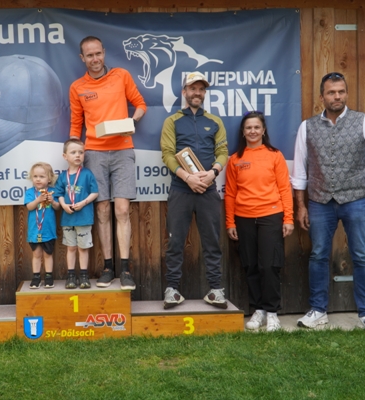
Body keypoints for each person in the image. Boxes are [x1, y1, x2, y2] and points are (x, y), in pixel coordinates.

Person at [291, 72, 365, 336]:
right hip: (319, 201)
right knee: (318, 255)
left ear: (346, 93)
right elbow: (299, 172)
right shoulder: (307, 127)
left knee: (361, 255)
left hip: (355, 200)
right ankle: (318, 311)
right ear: (321, 96)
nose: (337, 96)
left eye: (341, 91)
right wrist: (301, 206)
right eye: (332, 92)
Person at [69, 36, 147, 291]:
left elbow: (140, 104)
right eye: (89, 55)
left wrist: (132, 122)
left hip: (123, 149)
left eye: (98, 53)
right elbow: (76, 124)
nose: (95, 59)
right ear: (82, 58)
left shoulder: (121, 75)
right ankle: (107, 268)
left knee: (122, 210)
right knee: (102, 210)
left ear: (104, 52)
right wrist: (73, 151)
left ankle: (125, 270)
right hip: (94, 153)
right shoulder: (77, 87)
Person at [160, 71, 229, 309]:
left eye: (201, 89)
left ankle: (215, 290)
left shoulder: (215, 121)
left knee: (212, 241)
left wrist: (213, 173)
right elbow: (168, 154)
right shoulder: (172, 121)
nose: (197, 93)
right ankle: (172, 290)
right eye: (193, 88)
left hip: (208, 190)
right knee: (175, 242)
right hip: (181, 189)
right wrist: (188, 177)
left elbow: (222, 152)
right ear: (184, 92)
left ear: (204, 93)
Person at [225, 112, 294, 331]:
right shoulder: (235, 159)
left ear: (263, 130)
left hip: (270, 216)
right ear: (243, 132)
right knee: (251, 265)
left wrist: (288, 218)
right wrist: (230, 222)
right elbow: (230, 193)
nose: (253, 131)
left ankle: (272, 312)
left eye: (256, 127)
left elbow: (285, 188)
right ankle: (259, 310)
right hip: (243, 217)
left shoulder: (275, 155)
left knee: (269, 265)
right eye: (248, 128)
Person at [54, 139, 99, 289]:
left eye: (81, 152)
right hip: (68, 219)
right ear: (65, 156)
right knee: (71, 248)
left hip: (84, 218)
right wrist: (63, 205)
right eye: (73, 152)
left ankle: (84, 276)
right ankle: (71, 276)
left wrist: (83, 203)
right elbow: (59, 194)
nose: (78, 155)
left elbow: (95, 192)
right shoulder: (62, 176)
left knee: (83, 248)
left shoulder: (87, 173)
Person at [24, 162, 60, 289]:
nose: (38, 179)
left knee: (48, 254)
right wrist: (38, 200)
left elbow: (57, 207)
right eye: (35, 176)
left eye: (42, 176)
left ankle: (49, 277)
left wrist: (53, 201)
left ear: (49, 179)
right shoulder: (30, 192)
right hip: (34, 230)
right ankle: (36, 277)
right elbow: (29, 207)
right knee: (36, 254)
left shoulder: (52, 192)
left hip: (48, 230)